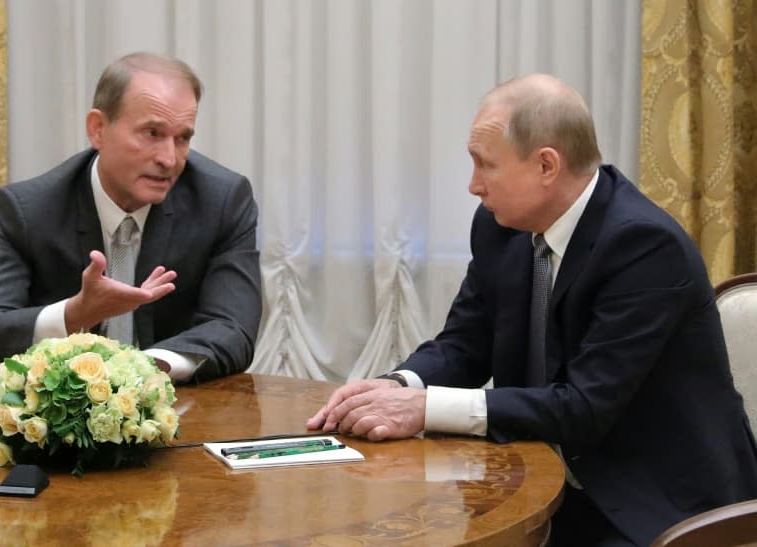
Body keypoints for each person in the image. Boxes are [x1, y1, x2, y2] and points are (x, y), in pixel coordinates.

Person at [307, 74, 757, 545]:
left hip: (657, 500)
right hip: (546, 480)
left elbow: (584, 408)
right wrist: (394, 387)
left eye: (485, 166)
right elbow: (465, 343)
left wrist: (422, 408)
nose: (473, 186)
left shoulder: (643, 246)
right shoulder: (501, 226)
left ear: (546, 165)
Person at [0, 52, 262, 383]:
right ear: (98, 129)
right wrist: (74, 314)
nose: (169, 159)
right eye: (151, 133)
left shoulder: (222, 201)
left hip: (177, 409)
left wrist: (141, 372)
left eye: (183, 138)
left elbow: (233, 327)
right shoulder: (27, 211)